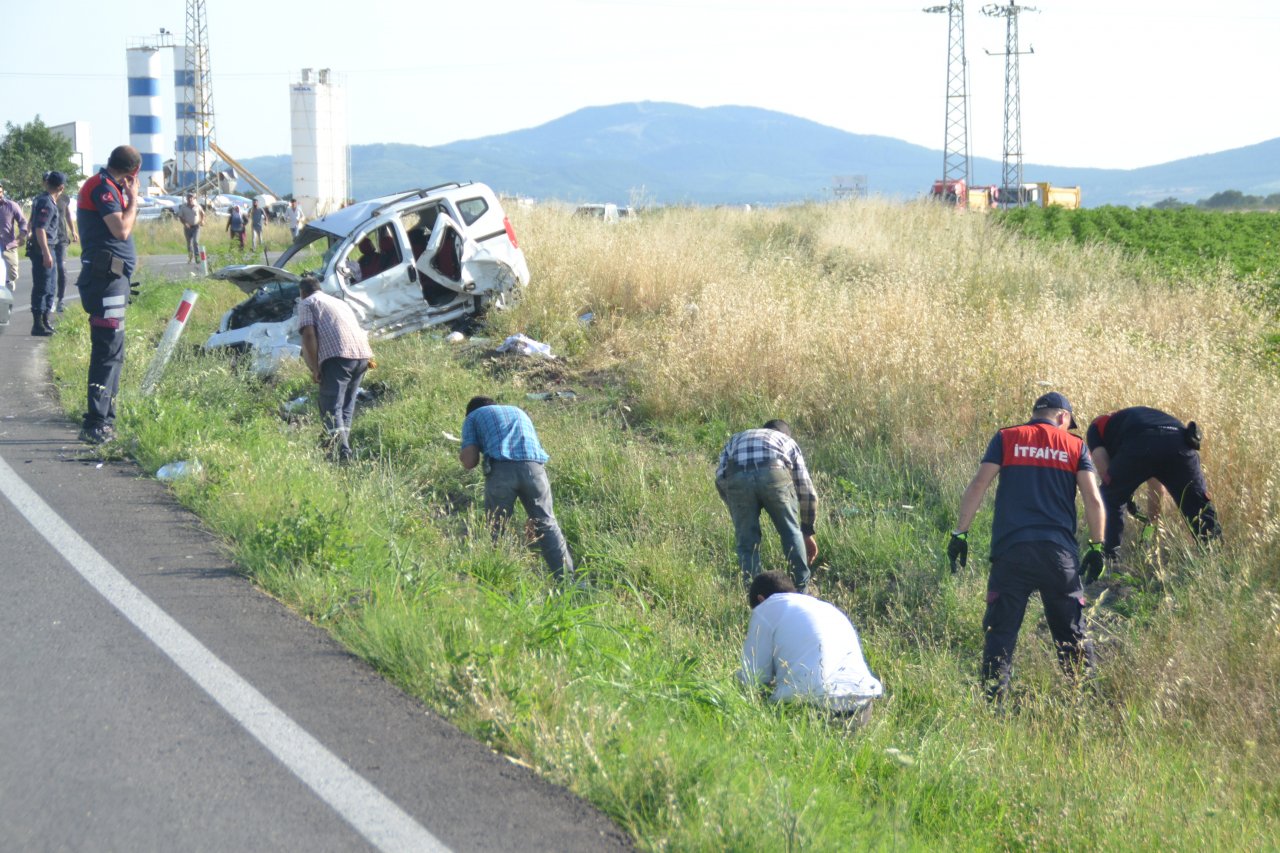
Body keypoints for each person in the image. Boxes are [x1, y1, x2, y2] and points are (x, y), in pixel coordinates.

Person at [949, 391, 1106, 702]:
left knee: (1001, 635)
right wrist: (1097, 546)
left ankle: (995, 709)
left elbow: (979, 484)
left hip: (1012, 554)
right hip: (1059, 557)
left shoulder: (1007, 438)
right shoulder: (1075, 446)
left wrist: (960, 534)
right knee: (1072, 637)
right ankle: (1087, 705)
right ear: (1063, 418)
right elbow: (1093, 500)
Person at [738, 571, 883, 724]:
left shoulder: (767, 607)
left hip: (812, 708)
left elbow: (753, 679)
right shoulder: (827, 608)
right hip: (862, 706)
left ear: (761, 599)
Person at [458, 397, 575, 581]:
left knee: (496, 527)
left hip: (501, 470)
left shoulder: (473, 417)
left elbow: (469, 461)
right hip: (535, 469)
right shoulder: (518, 411)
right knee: (547, 524)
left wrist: (467, 450)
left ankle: (497, 580)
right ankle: (568, 581)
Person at [1086, 406, 1221, 558]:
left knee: (1109, 497)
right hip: (1181, 441)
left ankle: (1108, 556)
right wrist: (1151, 525)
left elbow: (1106, 475)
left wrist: (1124, 494)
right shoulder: (1139, 418)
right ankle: (1215, 555)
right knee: (1197, 503)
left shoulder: (1097, 426)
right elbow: (1157, 488)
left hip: (1141, 441)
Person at [75, 144, 141, 445]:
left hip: (113, 279)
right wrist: (134, 200)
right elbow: (121, 231)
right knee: (107, 350)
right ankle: (95, 422)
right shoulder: (102, 188)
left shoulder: (109, 186)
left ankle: (106, 418)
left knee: (114, 352)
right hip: (106, 280)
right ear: (133, 173)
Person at [715, 420, 818, 592]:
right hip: (774, 472)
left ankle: (754, 594)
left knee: (747, 542)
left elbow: (720, 476)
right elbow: (806, 489)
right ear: (785, 433)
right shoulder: (786, 441)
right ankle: (801, 590)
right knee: (790, 532)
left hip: (737, 476)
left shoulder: (736, 438)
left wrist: (737, 508)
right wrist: (806, 530)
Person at [296, 275, 373, 462]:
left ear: (303, 292)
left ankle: (342, 454)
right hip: (362, 355)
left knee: (330, 407)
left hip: (338, 357)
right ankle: (339, 448)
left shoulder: (307, 303)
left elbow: (308, 335)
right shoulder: (338, 302)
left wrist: (315, 368)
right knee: (346, 407)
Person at [27, 171, 67, 336]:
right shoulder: (47, 202)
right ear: (61, 187)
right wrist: (46, 253)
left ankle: (45, 321)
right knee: (42, 286)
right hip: (43, 248)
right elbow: (40, 229)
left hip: (48, 246)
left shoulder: (45, 199)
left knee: (50, 286)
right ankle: (38, 324)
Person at [0, 179, 29, 292]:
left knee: (13, 274)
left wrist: (22, 234)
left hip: (8, 244)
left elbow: (22, 221)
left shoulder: (11, 205)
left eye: (0, 191)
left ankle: (9, 282)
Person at [54, 179, 78, 312]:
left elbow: (68, 214)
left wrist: (73, 230)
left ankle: (61, 299)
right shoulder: (43, 199)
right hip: (48, 239)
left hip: (62, 238)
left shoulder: (64, 199)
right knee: (49, 271)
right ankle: (48, 299)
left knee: (62, 268)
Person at [176, 191, 204, 263]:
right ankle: (190, 257)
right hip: (187, 228)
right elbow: (180, 216)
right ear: (186, 198)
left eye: (191, 197)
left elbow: (202, 213)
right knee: (189, 243)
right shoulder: (183, 207)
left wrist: (202, 220)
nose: (190, 199)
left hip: (196, 227)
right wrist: (185, 223)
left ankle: (197, 258)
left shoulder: (197, 206)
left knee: (195, 242)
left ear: (193, 198)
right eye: (188, 197)